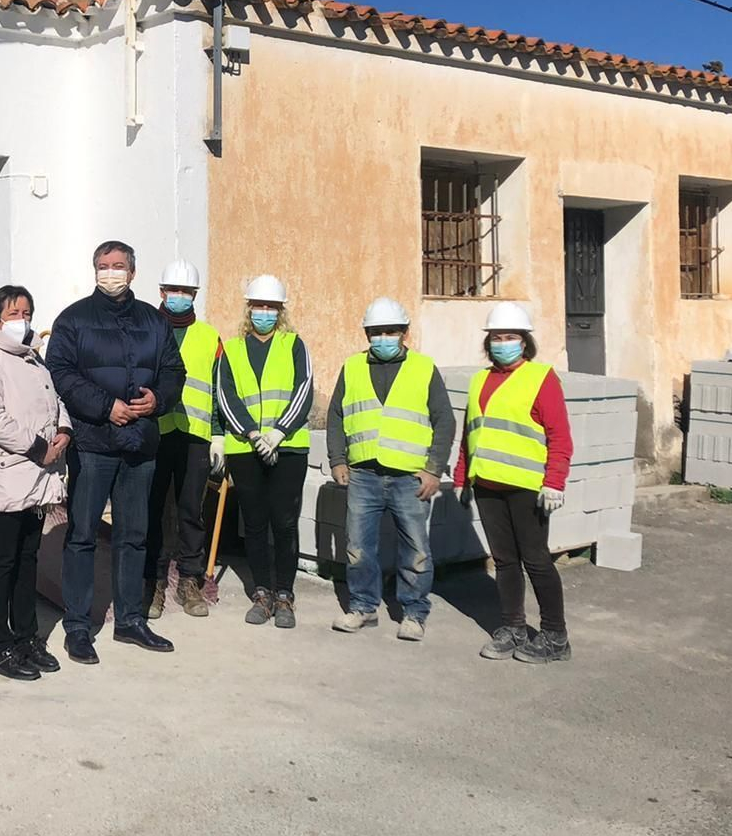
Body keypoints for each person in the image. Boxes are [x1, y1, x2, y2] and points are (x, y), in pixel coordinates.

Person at [46, 240, 186, 664]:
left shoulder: (153, 321)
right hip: (93, 445)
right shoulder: (73, 320)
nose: (111, 272)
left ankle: (130, 620)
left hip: (141, 445)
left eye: (119, 266)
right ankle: (77, 626)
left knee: (134, 537)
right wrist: (106, 407)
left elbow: (173, 371)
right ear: (94, 272)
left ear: (133, 272)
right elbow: (60, 373)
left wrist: (157, 401)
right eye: (104, 266)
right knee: (83, 536)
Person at [326, 297, 456, 642]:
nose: (382, 337)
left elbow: (444, 420)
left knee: (415, 549)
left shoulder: (424, 368)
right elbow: (336, 415)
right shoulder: (352, 367)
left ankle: (414, 612)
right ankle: (363, 607)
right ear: (367, 334)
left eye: (390, 331)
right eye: (376, 332)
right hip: (363, 474)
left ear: (404, 333)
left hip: (409, 477)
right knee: (358, 548)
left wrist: (434, 470)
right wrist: (338, 459)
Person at [454, 302, 575, 664]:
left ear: (524, 342)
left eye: (509, 337)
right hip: (488, 486)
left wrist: (555, 481)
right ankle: (513, 627)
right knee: (505, 562)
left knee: (537, 561)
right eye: (495, 338)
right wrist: (463, 477)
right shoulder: (479, 380)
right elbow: (470, 433)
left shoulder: (541, 378)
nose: (501, 343)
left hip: (528, 488)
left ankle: (555, 636)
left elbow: (560, 436)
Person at [0, 285, 71, 681]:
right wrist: (37, 446)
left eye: (26, 311)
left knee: (28, 560)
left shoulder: (33, 359)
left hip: (37, 478)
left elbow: (54, 400)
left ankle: (26, 637)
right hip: (6, 476)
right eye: (13, 313)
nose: (21, 319)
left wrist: (63, 431)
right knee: (1, 563)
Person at [214, 274, 314, 629]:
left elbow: (304, 390)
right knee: (254, 524)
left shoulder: (294, 345)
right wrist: (252, 434)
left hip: (287, 448)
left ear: (280, 311)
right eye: (259, 305)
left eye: (271, 306)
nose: (264, 312)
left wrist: (278, 433)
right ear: (249, 308)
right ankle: (261, 593)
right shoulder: (233, 348)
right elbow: (225, 394)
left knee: (284, 523)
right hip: (246, 448)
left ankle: (285, 594)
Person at [144, 259, 223, 621]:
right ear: (161, 292)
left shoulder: (210, 337)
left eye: (186, 292)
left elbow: (221, 389)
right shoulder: (145, 329)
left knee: (192, 511)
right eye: (173, 291)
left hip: (195, 435)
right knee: (155, 510)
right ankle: (155, 581)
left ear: (195, 296)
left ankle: (189, 580)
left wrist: (220, 434)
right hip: (155, 431)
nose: (179, 297)